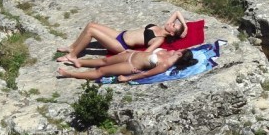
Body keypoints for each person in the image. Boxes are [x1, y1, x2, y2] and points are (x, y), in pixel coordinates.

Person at [56, 10, 188, 67]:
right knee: (91, 24)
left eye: (174, 26)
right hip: (119, 34)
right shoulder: (160, 27)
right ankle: (73, 47)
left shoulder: (159, 39)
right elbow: (177, 12)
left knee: (91, 31)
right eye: (173, 23)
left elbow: (146, 53)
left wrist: (130, 53)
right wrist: (185, 27)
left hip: (120, 44)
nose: (172, 23)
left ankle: (73, 55)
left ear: (171, 34)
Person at [56, 48, 197, 83]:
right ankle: (80, 62)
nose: (178, 50)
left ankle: (71, 74)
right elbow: (148, 53)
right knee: (104, 60)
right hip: (131, 54)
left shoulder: (165, 64)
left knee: (102, 70)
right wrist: (132, 51)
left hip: (131, 65)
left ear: (180, 55)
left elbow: (147, 74)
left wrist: (128, 78)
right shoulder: (168, 53)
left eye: (180, 51)